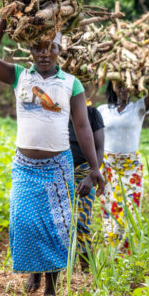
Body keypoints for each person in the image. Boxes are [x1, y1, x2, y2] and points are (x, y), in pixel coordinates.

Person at [0, 18, 105, 296]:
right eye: (38, 47)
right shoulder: (19, 76)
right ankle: (33, 275)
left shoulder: (71, 84)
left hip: (57, 167)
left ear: (60, 49)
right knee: (25, 222)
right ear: (30, 49)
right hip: (25, 167)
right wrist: (3, 19)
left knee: (55, 225)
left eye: (51, 47)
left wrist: (94, 168)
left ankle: (50, 286)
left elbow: (83, 127)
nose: (44, 54)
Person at [96, 59, 149, 251]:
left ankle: (127, 254)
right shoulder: (103, 111)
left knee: (130, 211)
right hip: (108, 167)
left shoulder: (140, 107)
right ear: (113, 87)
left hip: (131, 169)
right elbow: (97, 141)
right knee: (109, 210)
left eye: (127, 85)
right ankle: (112, 252)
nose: (124, 89)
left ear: (133, 87)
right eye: (119, 85)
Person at [68, 90, 105, 269]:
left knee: (82, 222)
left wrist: (92, 174)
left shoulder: (92, 114)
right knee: (59, 222)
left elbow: (99, 148)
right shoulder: (56, 112)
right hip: (59, 171)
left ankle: (87, 271)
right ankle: (62, 269)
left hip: (84, 172)